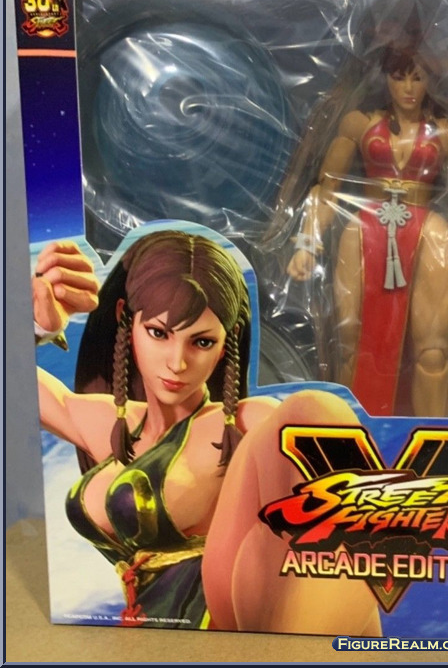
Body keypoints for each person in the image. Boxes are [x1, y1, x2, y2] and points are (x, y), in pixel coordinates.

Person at [34, 230, 381, 633]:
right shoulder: (112, 423)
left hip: (224, 629)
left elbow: (354, 532)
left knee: (316, 411)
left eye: (200, 342)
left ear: (225, 342)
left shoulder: (244, 422)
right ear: (126, 320)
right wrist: (37, 325)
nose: (177, 363)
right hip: (145, 642)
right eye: (159, 333)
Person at [269, 21, 448, 419]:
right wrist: (307, 245)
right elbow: (326, 190)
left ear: (432, 80)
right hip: (362, 231)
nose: (409, 88)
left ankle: (431, 430)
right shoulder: (359, 122)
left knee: (435, 351)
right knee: (349, 343)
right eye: (399, 77)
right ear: (385, 78)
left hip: (429, 233)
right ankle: (350, 424)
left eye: (418, 77)